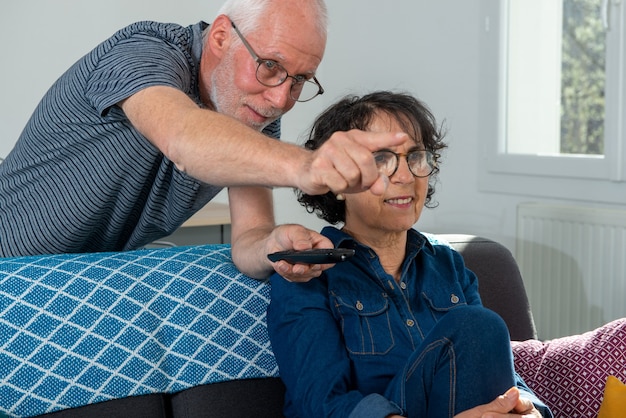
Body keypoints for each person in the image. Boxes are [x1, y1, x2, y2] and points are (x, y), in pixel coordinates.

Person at [0, 0, 405, 281]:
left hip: (65, 282)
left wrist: (275, 244)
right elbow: (184, 137)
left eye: (299, 80)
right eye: (269, 66)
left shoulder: (254, 115)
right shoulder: (143, 51)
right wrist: (304, 165)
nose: (281, 99)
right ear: (221, 37)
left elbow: (249, 236)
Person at [267, 91, 553, 418]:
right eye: (381, 159)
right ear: (338, 182)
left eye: (416, 157)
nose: (405, 177)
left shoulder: (450, 267)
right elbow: (319, 402)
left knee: (481, 331)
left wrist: (530, 411)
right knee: (479, 326)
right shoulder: (306, 273)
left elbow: (499, 375)